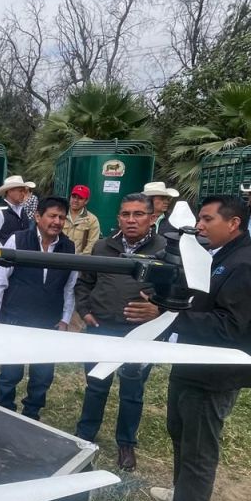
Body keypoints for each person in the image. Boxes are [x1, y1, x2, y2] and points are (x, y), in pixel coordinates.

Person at [125, 195, 251, 501]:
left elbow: (227, 327)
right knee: (181, 432)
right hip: (192, 363)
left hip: (215, 374)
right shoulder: (223, 257)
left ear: (233, 223)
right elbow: (200, 301)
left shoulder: (246, 265)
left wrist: (166, 316)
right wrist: (164, 300)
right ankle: (185, 494)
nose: (200, 226)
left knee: (199, 448)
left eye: (207, 219)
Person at [74, 194, 167, 471]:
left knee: (132, 390)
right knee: (95, 386)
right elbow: (84, 282)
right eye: (125, 214)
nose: (131, 220)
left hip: (140, 333)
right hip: (101, 327)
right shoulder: (103, 247)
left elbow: (177, 292)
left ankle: (126, 443)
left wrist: (158, 310)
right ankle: (84, 436)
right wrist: (85, 309)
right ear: (118, 218)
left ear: (151, 218)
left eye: (138, 214)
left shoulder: (164, 249)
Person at [0, 196, 77, 420]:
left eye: (62, 217)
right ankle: (3, 413)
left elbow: (70, 287)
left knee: (42, 375)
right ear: (38, 216)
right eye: (52, 216)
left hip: (49, 321)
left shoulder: (69, 247)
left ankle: (32, 415)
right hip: (16, 319)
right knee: (10, 372)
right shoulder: (17, 240)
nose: (57, 221)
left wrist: (65, 319)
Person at [0, 175, 36, 248]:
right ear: (10, 191)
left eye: (24, 191)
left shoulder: (22, 210)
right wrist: (4, 253)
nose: (23, 194)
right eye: (20, 191)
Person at [64, 185, 101, 255]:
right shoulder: (61, 215)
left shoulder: (92, 220)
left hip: (79, 261)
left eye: (80, 198)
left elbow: (92, 245)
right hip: (58, 258)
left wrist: (80, 261)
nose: (75, 200)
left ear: (86, 201)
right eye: (73, 197)